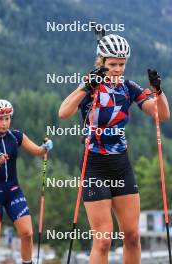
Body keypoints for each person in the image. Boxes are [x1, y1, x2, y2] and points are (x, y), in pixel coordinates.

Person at [58, 34, 170, 264]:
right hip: (94, 166)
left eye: (122, 64)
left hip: (121, 165)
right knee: (103, 240)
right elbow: (63, 112)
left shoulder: (128, 88)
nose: (118, 69)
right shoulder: (89, 85)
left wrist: (158, 90)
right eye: (112, 65)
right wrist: (85, 86)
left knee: (132, 235)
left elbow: (163, 115)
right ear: (101, 63)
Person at [0, 99, 53, 264]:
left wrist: (46, 147)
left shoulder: (16, 136)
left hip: (13, 191)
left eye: (7, 118)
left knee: (27, 233)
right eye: (0, 119)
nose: (4, 123)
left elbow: (38, 151)